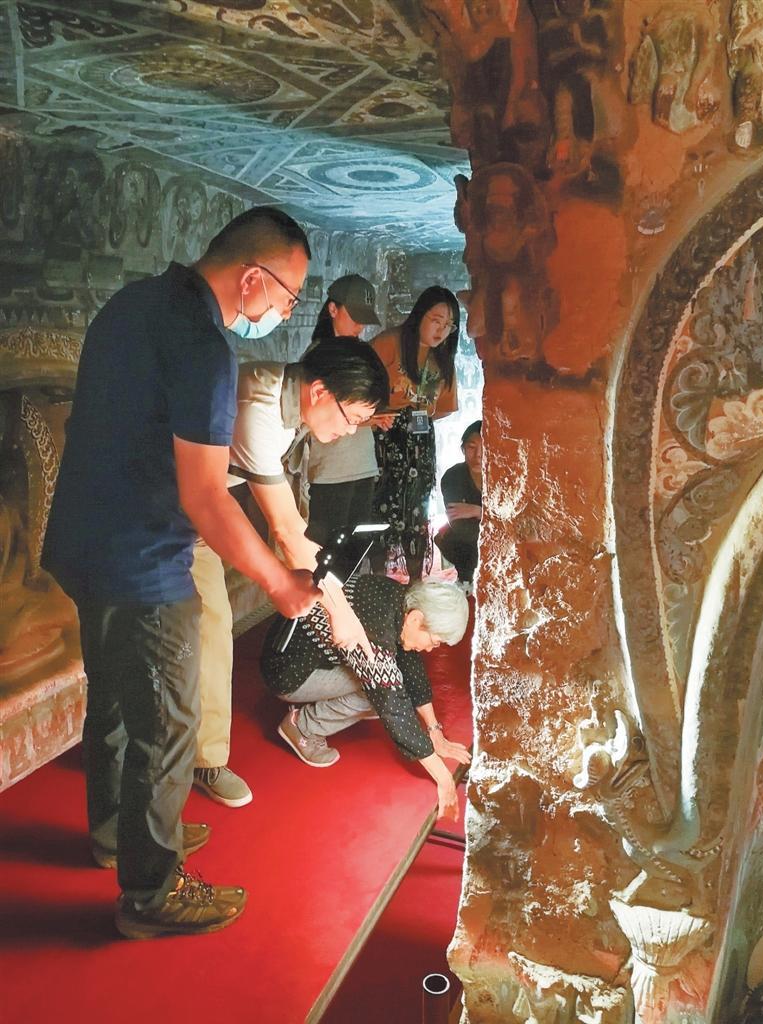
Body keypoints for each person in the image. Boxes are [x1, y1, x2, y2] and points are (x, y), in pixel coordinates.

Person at [41, 206, 321, 940]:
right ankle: (151, 892)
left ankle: (119, 835)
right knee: (168, 725)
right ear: (252, 278)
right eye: (288, 296)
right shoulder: (204, 345)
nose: (283, 312)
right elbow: (205, 497)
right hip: (143, 562)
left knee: (112, 700)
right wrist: (279, 582)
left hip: (83, 542)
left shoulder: (130, 303)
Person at [192, 337, 390, 806]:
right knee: (205, 632)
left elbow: (291, 527)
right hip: (160, 513)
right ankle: (183, 762)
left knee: (212, 629)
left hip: (201, 514)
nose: (350, 432)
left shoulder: (289, 396)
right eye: (351, 418)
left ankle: (202, 757)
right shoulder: (258, 410)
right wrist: (341, 616)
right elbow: (285, 530)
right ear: (320, 391)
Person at [261, 577, 471, 819]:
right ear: (416, 619)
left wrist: (434, 731)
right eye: (434, 642)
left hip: (299, 652)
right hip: (288, 672)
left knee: (391, 678)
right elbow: (392, 705)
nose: (430, 649)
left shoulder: (400, 598)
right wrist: (444, 778)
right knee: (377, 694)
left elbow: (410, 663)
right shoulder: (376, 629)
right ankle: (302, 726)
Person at [371, 287, 460, 581]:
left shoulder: (442, 359)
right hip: (386, 437)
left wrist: (417, 418)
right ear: (419, 315)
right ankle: (379, 579)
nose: (441, 331)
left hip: (420, 441)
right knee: (383, 506)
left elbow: (444, 408)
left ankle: (416, 582)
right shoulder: (389, 343)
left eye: (449, 325)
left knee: (417, 511)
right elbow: (359, 384)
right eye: (436, 320)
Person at [304, 275, 394, 547]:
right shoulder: (319, 356)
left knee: (355, 548)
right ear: (333, 309)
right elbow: (313, 417)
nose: (360, 326)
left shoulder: (360, 355)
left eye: (364, 319)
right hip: (331, 469)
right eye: (355, 317)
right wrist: (366, 419)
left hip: (361, 464)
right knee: (326, 547)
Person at [435, 420, 483, 585]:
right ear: (463, 449)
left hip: (496, 536)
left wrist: (477, 511)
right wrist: (491, 516)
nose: (478, 455)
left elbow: (512, 519)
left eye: (485, 447)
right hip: (467, 538)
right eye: (471, 447)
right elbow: (459, 523)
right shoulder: (453, 477)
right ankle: (466, 579)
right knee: (458, 536)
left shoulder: (504, 474)